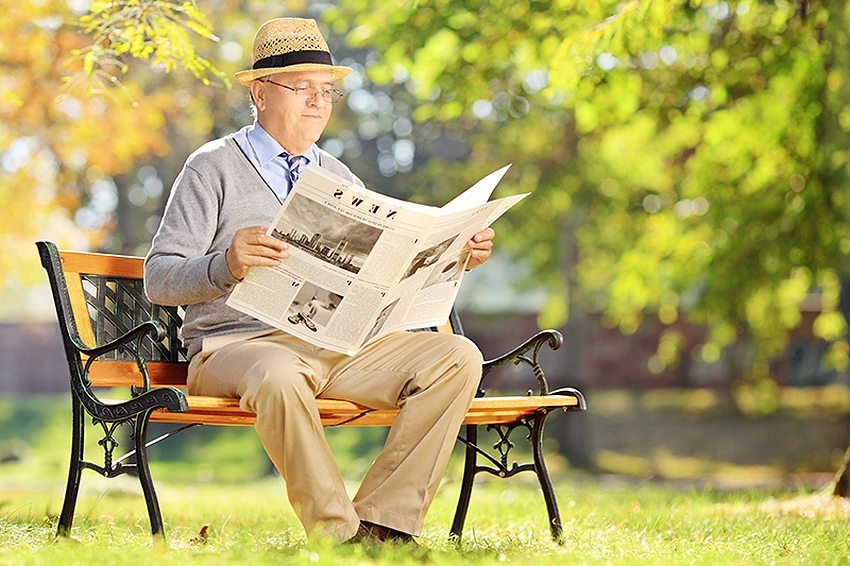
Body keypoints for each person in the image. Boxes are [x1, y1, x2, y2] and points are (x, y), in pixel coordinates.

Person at [144, 17, 496, 545]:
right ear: (260, 94)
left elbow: (383, 269)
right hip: (235, 349)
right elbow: (158, 279)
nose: (318, 102)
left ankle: (386, 526)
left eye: (326, 91)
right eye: (302, 88)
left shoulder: (338, 177)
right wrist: (227, 265)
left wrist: (453, 255)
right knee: (281, 373)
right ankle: (338, 535)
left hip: (334, 346)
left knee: (456, 357)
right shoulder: (211, 167)